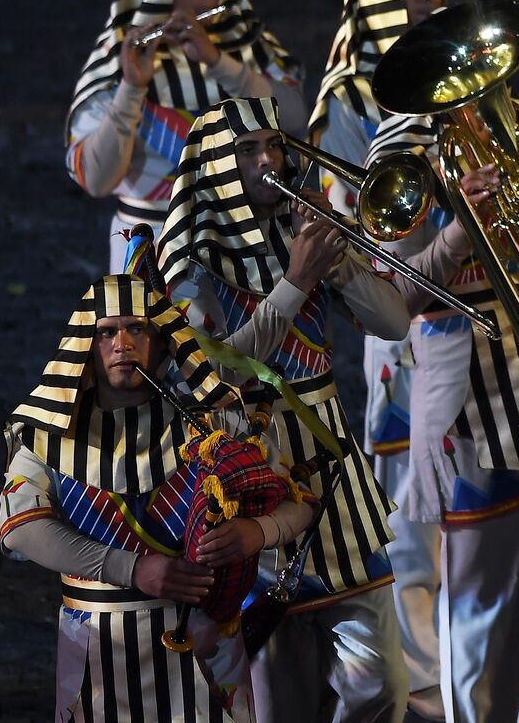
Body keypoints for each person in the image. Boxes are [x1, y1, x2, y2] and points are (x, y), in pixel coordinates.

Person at [156, 96, 411, 722]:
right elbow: (213, 372)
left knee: (382, 684)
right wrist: (296, 282)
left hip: (332, 475)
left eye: (274, 145)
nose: (269, 160)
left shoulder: (303, 234)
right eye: (248, 151)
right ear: (217, 163)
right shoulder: (192, 261)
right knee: (281, 699)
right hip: (248, 473)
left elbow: (395, 321)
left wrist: (339, 259)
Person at [366, 87, 519, 722]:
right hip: (470, 407)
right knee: (483, 611)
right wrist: (456, 233)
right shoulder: (400, 159)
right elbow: (386, 306)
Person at [0, 275, 313, 721]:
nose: (122, 343)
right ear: (86, 343)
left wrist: (258, 532)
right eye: (107, 332)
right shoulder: (45, 431)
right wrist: (133, 569)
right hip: (99, 653)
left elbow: (297, 499)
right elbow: (19, 528)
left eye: (137, 329)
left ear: (161, 337)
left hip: (206, 650)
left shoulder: (213, 424)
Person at [307, 0, 447, 721]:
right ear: (369, 6)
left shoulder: (455, 72)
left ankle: (461, 651)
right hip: (406, 327)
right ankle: (423, 672)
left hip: (474, 314)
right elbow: (348, 236)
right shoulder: (345, 107)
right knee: (410, 503)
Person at [66, 0, 305, 273]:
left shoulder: (246, 45)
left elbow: (297, 119)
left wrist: (218, 61)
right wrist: (132, 89)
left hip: (247, 240)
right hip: (151, 243)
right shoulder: (116, 63)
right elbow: (97, 180)